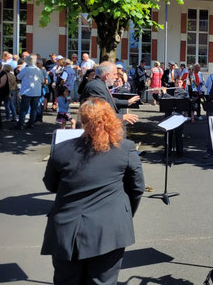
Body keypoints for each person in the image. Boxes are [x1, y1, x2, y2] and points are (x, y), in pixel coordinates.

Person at [41, 97, 145, 284]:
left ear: (83, 120)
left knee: (66, 280)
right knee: (102, 281)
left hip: (66, 230)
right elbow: (136, 188)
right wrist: (125, 214)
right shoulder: (126, 149)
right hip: (109, 229)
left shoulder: (61, 149)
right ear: (110, 118)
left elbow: (51, 185)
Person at [16, 54, 45, 130]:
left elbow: (18, 77)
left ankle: (20, 124)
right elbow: (42, 81)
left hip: (27, 92)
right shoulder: (38, 70)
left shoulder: (26, 69)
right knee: (34, 109)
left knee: (24, 109)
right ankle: (31, 124)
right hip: (36, 92)